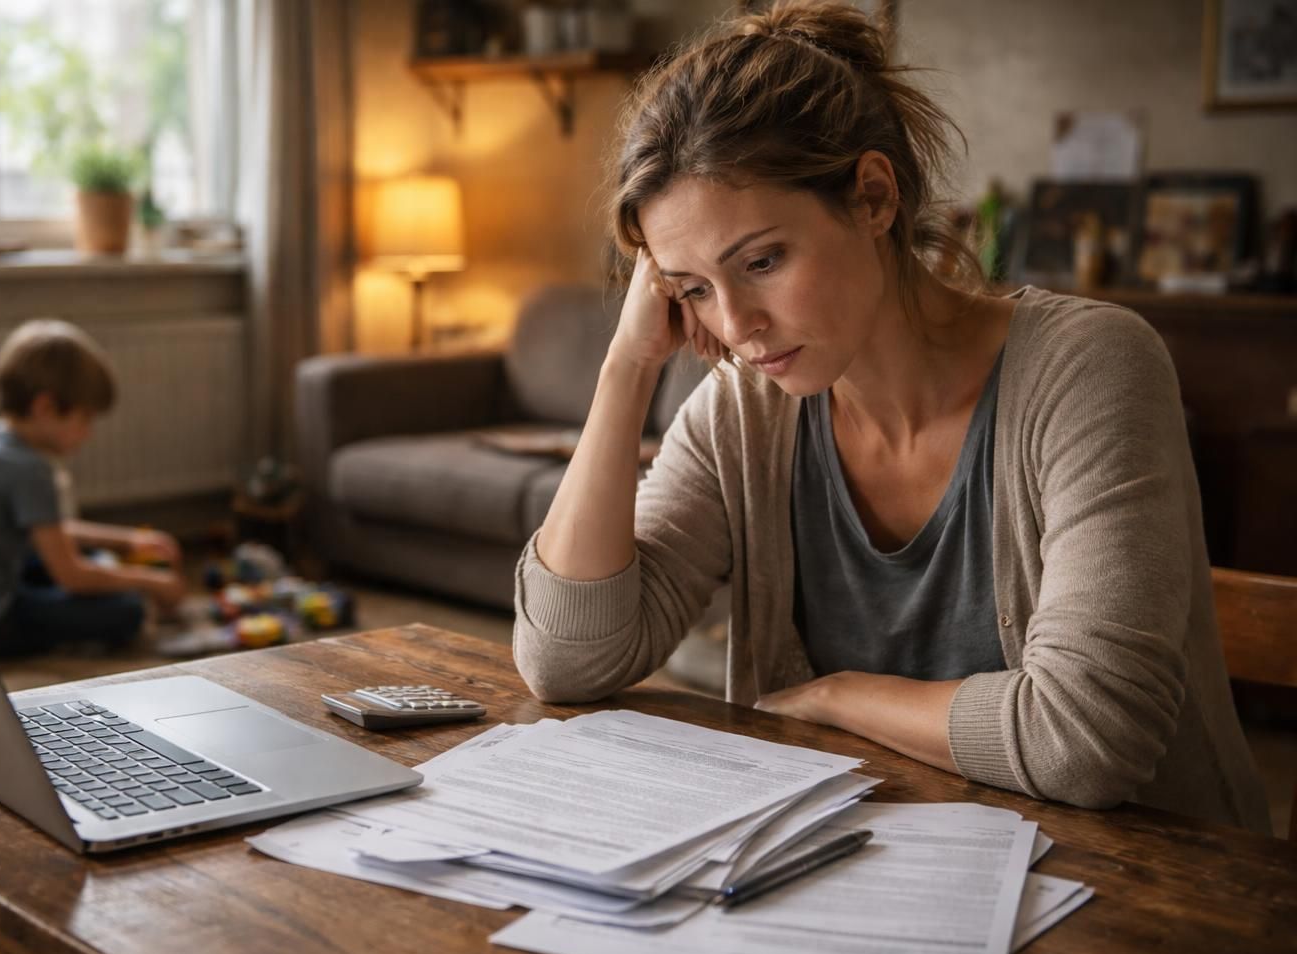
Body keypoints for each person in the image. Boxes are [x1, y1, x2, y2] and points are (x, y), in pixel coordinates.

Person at [512, 0, 1270, 831]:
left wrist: (843, 696)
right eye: (692, 288)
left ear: (873, 196)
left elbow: (1085, 738)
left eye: (762, 261)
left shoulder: (1090, 368)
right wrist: (627, 367)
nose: (734, 326)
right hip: (862, 873)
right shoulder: (743, 412)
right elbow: (565, 660)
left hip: (1151, 898)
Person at [0, 319, 186, 658]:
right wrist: (152, 582)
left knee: (87, 562)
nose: (88, 433)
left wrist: (127, 540)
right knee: (127, 609)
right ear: (45, 407)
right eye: (85, 419)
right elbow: (70, 574)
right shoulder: (29, 467)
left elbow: (49, 528)